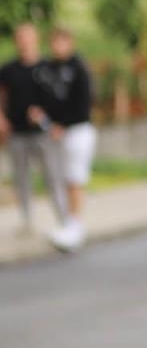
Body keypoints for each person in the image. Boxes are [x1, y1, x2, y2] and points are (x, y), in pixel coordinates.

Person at [0, 24, 69, 241]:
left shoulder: (48, 67)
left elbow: (61, 98)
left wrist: (52, 120)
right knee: (21, 179)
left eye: (28, 37)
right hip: (17, 133)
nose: (25, 41)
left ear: (36, 39)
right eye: (21, 37)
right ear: (16, 41)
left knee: (52, 176)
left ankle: (64, 221)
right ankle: (27, 222)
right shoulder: (9, 69)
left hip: (43, 134)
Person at [35, 28, 94, 252]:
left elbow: (83, 104)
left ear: (70, 42)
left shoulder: (79, 68)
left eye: (62, 41)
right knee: (59, 179)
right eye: (54, 42)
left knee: (74, 179)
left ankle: (75, 226)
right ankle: (67, 224)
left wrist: (64, 124)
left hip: (77, 131)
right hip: (54, 132)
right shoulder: (48, 69)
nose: (57, 46)